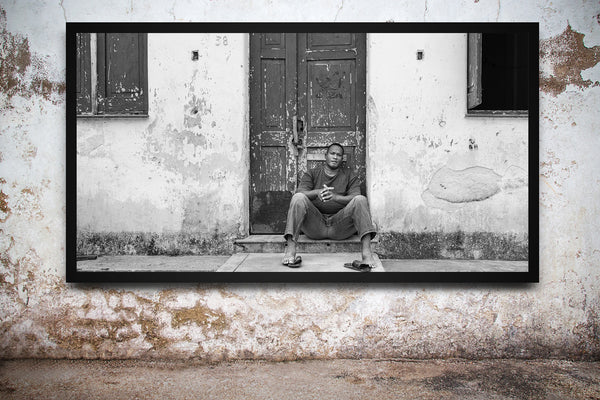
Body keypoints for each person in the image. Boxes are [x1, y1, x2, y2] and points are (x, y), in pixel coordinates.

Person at [282, 143, 377, 269]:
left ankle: (367, 256)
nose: (335, 157)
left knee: (360, 200)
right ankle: (290, 252)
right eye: (332, 153)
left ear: (342, 158)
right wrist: (317, 193)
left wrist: (335, 197)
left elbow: (355, 197)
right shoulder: (312, 173)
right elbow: (300, 193)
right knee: (298, 197)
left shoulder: (349, 175)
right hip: (315, 226)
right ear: (325, 156)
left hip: (340, 226)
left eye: (339, 155)